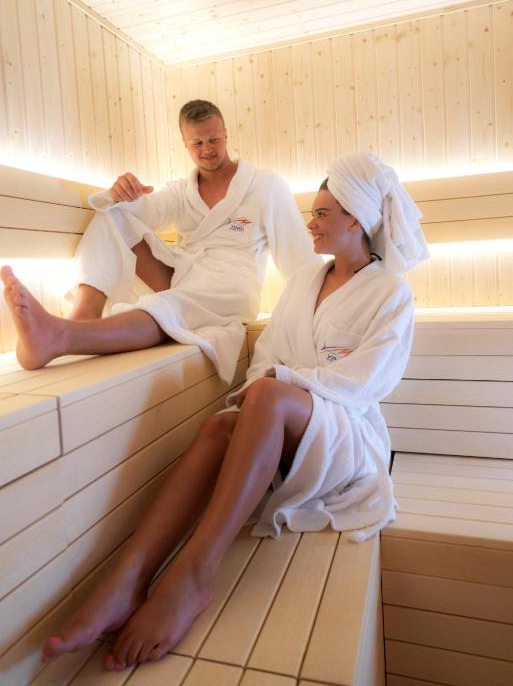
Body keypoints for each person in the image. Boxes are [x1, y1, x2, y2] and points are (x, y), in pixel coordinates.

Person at [41, 151, 429, 671]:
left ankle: (194, 575)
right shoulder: (304, 283)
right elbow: (268, 354)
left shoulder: (391, 293)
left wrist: (280, 384)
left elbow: (368, 381)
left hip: (348, 434)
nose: (310, 223)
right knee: (218, 427)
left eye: (322, 214)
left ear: (356, 220)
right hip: (292, 420)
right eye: (312, 213)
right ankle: (127, 579)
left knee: (265, 394)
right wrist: (269, 383)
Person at [0, 100, 317, 383]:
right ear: (185, 143)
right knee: (114, 215)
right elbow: (143, 211)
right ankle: (84, 313)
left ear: (225, 134)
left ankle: (60, 337)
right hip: (185, 273)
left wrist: (319, 310)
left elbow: (299, 258)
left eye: (214, 140)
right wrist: (123, 192)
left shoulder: (266, 186)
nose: (207, 149)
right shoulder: (182, 191)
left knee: (171, 305)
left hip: (230, 285)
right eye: (197, 143)